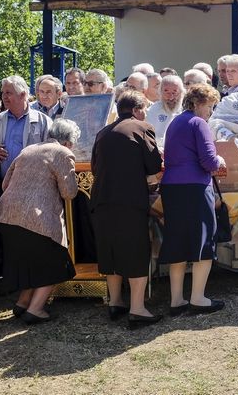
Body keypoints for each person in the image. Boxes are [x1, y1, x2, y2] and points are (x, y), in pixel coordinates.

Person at [0, 119, 80, 324]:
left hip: (7, 215)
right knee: (55, 262)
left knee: (28, 263)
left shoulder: (29, 149)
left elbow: (5, 183)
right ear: (68, 142)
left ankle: (23, 303)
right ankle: (36, 309)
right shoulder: (63, 153)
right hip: (37, 217)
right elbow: (69, 192)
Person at [90, 90, 163, 328]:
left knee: (110, 249)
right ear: (136, 109)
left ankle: (116, 302)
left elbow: (93, 167)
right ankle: (138, 309)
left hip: (101, 200)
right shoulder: (142, 127)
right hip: (129, 200)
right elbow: (154, 164)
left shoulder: (102, 132)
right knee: (136, 250)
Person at [160, 83, 227, 315]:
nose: (211, 112)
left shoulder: (175, 122)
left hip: (171, 187)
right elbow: (209, 161)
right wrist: (221, 162)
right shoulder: (199, 123)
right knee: (202, 241)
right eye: (210, 106)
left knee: (177, 243)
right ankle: (198, 298)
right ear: (198, 103)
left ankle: (176, 300)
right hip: (195, 187)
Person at [0, 75, 53, 193]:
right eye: (2, 92)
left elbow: (52, 152)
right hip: (1, 187)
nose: (4, 97)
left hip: (33, 187)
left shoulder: (43, 121)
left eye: (8, 93)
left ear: (23, 94)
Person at [145, 75, 184, 148]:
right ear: (160, 92)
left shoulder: (185, 111)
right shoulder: (152, 111)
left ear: (181, 93)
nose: (170, 97)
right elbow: (148, 137)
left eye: (174, 92)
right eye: (166, 92)